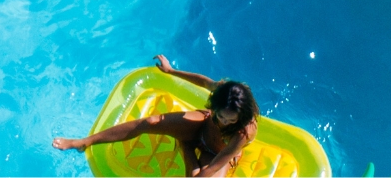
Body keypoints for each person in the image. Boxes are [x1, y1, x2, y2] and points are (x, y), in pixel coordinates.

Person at [51, 55, 258, 177]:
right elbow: (204, 82)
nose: (224, 122)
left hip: (216, 153)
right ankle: (85, 142)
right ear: (216, 104)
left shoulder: (243, 133)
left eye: (230, 120)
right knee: (151, 122)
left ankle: (185, 145)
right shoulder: (223, 91)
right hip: (202, 127)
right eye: (221, 116)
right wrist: (171, 71)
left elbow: (215, 165)